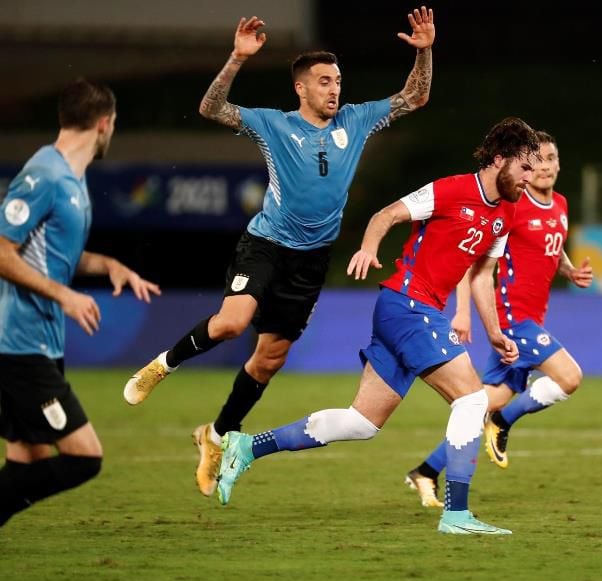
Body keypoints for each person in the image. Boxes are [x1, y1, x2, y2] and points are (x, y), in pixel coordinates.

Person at [123, 8, 436, 497]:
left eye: (338, 81)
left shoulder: (355, 120)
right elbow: (211, 109)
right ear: (301, 88)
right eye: (324, 81)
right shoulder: (274, 125)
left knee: (269, 360)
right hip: (266, 244)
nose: (335, 89)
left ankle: (217, 435)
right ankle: (162, 365)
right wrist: (236, 59)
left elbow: (415, 97)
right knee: (232, 323)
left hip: (311, 260)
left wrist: (424, 51)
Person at [214, 118, 540, 535]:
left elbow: (481, 276)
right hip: (407, 306)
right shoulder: (451, 190)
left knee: (361, 423)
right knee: (473, 401)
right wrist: (369, 248)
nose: (530, 178)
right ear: (498, 159)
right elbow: (387, 214)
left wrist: (494, 333)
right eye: (524, 168)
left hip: (412, 311)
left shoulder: (507, 212)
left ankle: (246, 447)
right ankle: (456, 515)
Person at [0, 79, 161, 527]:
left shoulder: (73, 179)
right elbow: (2, 251)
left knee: (26, 464)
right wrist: (66, 295)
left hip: (39, 342)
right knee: (83, 458)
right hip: (18, 345)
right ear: (105, 124)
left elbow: (54, 254)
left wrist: (107, 265)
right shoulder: (44, 175)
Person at [403, 132, 593, 508]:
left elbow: (553, 246)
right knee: (569, 377)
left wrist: (569, 270)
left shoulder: (561, 204)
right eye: (537, 160)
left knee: (484, 403)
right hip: (512, 320)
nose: (545, 166)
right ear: (526, 167)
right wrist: (462, 311)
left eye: (552, 158)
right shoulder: (513, 206)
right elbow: (472, 263)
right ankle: (503, 422)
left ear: (559, 163)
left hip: (531, 318)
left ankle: (425, 471)